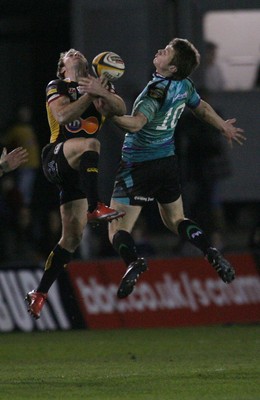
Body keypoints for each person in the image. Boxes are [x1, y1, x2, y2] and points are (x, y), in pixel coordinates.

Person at [108, 38, 246, 299]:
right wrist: (222, 126)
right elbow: (201, 107)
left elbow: (136, 124)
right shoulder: (184, 85)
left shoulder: (155, 92)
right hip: (167, 164)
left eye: (166, 52)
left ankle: (133, 262)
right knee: (176, 220)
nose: (160, 50)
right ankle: (210, 251)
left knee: (117, 228)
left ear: (171, 68)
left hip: (138, 164)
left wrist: (109, 114)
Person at [25, 48, 126, 319]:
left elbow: (120, 109)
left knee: (72, 237)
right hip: (56, 157)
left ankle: (40, 292)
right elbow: (62, 117)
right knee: (91, 143)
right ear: (62, 68)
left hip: (79, 170)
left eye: (77, 51)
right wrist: (92, 94)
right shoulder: (57, 85)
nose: (75, 52)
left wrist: (101, 91)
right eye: (70, 54)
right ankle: (96, 205)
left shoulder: (99, 85)